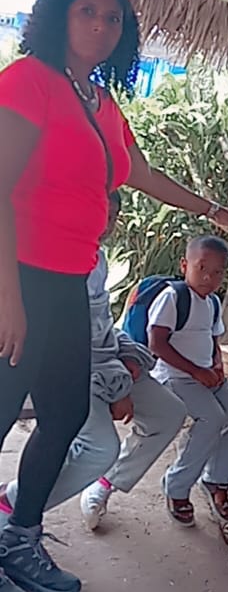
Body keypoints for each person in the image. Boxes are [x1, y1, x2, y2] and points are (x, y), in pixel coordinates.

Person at [0, 0, 228, 592]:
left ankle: (18, 538)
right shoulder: (28, 82)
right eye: (88, 12)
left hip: (68, 282)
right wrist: (7, 298)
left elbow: (138, 171)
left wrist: (213, 211)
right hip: (17, 276)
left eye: (113, 18)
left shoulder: (100, 103)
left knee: (61, 420)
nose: (102, 26)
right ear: (60, 15)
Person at [0, 192, 186, 533]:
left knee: (169, 413)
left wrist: (127, 355)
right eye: (101, 213)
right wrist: (117, 386)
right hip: (73, 369)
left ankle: (103, 484)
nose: (105, 224)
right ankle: (14, 506)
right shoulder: (53, 261)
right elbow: (67, 342)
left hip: (107, 363)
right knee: (99, 448)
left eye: (112, 216)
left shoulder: (97, 260)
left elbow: (102, 327)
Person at [148, 234, 228, 527]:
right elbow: (157, 344)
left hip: (205, 374)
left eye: (217, 272)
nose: (208, 277)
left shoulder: (213, 302)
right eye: (201, 268)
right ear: (185, 265)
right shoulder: (173, 297)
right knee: (211, 419)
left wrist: (217, 365)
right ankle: (177, 488)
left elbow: (213, 339)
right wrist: (196, 371)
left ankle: (217, 480)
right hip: (175, 376)